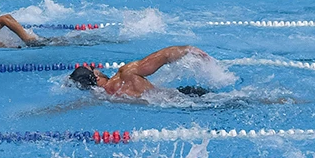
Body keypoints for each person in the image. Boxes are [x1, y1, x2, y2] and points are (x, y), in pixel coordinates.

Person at [68, 45, 213, 98]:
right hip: (184, 97)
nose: (97, 68)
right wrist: (188, 50)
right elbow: (164, 56)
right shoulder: (125, 74)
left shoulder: (103, 97)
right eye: (94, 69)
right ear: (96, 78)